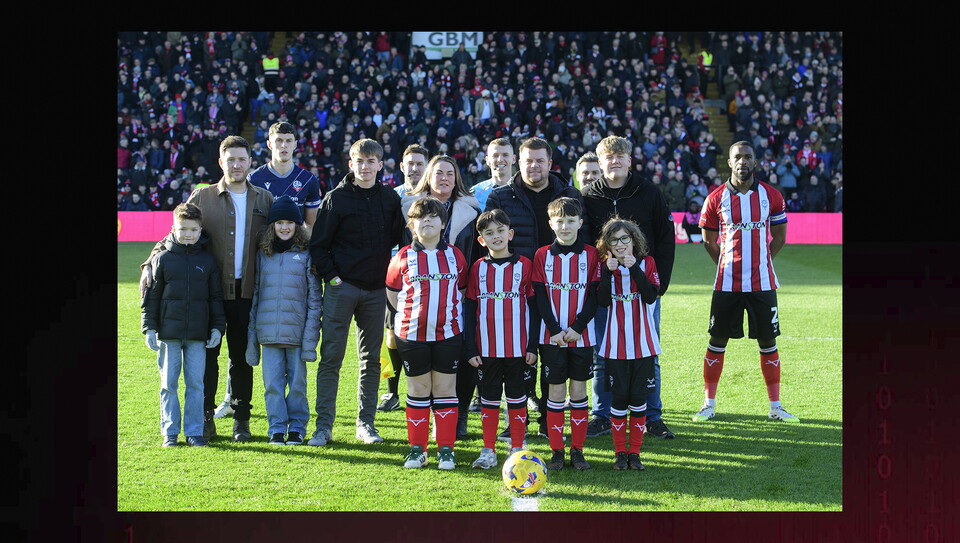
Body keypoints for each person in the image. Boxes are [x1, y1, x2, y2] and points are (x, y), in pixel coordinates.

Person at [140, 135, 274, 443]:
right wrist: (149, 262)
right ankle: (205, 419)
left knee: (242, 359)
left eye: (242, 159)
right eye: (231, 160)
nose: (236, 165)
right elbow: (172, 235)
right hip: (208, 295)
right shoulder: (201, 198)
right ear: (221, 162)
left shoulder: (264, 199)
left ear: (250, 162)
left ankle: (242, 421)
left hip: (247, 294)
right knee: (208, 359)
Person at [485, 136, 587, 439]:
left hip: (561, 290)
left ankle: (547, 418)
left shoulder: (569, 194)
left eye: (540, 160)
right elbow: (491, 239)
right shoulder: (501, 195)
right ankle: (515, 419)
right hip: (515, 289)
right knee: (516, 356)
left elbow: (586, 237)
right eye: (528, 160)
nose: (534, 166)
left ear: (550, 163)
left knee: (552, 357)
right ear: (519, 161)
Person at [694, 141, 798, 424]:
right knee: (717, 340)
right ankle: (708, 404)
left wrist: (763, 260)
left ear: (755, 161)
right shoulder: (715, 198)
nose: (743, 161)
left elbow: (779, 237)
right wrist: (727, 266)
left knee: (768, 341)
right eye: (737, 157)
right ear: (729, 162)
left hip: (763, 284)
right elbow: (708, 241)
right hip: (727, 284)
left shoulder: (772, 196)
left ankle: (775, 406)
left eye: (748, 157)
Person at [307, 138, 403, 446]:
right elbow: (319, 245)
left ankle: (366, 424)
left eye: (370, 161)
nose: (365, 166)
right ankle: (324, 427)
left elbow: (401, 239)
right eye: (359, 161)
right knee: (331, 358)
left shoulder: (389, 198)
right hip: (342, 288)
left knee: (371, 360)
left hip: (376, 291)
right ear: (351, 164)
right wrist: (333, 278)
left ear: (380, 165)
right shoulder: (336, 198)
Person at [580, 135, 677, 440]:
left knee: (649, 353)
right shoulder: (588, 196)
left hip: (641, 287)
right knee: (602, 354)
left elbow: (665, 238)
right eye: (609, 156)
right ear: (600, 161)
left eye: (620, 155)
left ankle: (652, 416)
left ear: (629, 160)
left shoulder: (648, 192)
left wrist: (658, 283)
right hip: (606, 289)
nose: (615, 161)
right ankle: (602, 414)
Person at [401, 154, 481, 437]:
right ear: (429, 177)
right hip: (420, 303)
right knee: (426, 368)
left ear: (456, 178)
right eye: (438, 173)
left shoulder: (471, 212)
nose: (444, 178)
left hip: (461, 296)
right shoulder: (410, 209)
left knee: (465, 356)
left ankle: (457, 419)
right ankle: (432, 422)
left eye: (449, 173)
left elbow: (476, 255)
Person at [386, 197, 468, 469]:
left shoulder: (455, 255)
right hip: (412, 335)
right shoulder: (402, 257)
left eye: (434, 216)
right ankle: (417, 450)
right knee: (418, 389)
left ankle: (446, 449)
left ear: (444, 224)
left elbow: (463, 289)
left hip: (448, 334)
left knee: (445, 389)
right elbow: (393, 294)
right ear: (412, 225)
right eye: (421, 217)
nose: (428, 221)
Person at [142, 202, 225, 447]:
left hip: (198, 336)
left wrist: (217, 327)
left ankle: (194, 432)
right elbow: (152, 297)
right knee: (168, 384)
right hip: (169, 334)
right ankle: (170, 432)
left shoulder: (208, 261)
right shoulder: (163, 259)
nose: (188, 234)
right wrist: (149, 327)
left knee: (196, 385)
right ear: (173, 228)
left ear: (200, 231)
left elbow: (215, 298)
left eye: (193, 230)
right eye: (183, 229)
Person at [245, 196, 322, 445]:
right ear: (272, 226)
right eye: (280, 222)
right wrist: (252, 337)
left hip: (297, 335)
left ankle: (297, 427)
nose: (285, 227)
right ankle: (276, 428)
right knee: (272, 386)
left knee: (298, 385)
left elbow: (314, 301)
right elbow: (256, 296)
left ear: (298, 225)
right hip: (268, 334)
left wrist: (310, 338)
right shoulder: (263, 255)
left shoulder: (306, 254)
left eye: (290, 222)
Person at [464, 209, 538, 469]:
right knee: (489, 401)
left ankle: (517, 448)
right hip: (486, 350)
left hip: (518, 349)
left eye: (499, 231)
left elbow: (534, 308)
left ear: (510, 234)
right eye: (488, 233)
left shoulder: (524, 265)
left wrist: (532, 346)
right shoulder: (477, 268)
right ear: (481, 240)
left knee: (517, 400)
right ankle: (488, 450)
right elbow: (470, 310)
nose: (495, 236)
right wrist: (471, 347)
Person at [532, 197, 600, 471]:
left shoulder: (592, 255)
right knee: (556, 391)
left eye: (570, 221)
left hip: (582, 335)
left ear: (580, 223)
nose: (565, 226)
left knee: (578, 390)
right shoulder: (541, 255)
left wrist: (578, 327)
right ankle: (557, 450)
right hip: (552, 336)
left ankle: (578, 450)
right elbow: (540, 296)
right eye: (559, 221)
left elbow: (594, 296)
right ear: (551, 223)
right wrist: (555, 330)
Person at [595, 216, 660, 470]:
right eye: (614, 240)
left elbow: (651, 296)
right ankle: (619, 453)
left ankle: (635, 453)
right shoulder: (606, 266)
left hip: (643, 345)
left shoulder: (647, 263)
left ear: (634, 240)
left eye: (625, 239)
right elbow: (602, 301)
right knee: (619, 399)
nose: (620, 244)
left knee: (639, 399)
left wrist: (634, 268)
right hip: (615, 346)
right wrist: (609, 273)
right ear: (607, 244)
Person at [379, 144, 430, 414]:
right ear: (401, 167)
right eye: (409, 163)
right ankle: (391, 393)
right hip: (397, 277)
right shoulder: (392, 197)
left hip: (429, 278)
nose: (414, 168)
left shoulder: (433, 199)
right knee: (391, 337)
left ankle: (426, 390)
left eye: (419, 164)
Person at [247, 122, 322, 229]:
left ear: (295, 145)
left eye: (288, 140)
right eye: (279, 140)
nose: (284, 145)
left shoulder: (308, 179)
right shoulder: (254, 179)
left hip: (296, 245)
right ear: (269, 144)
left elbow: (311, 228)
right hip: (262, 244)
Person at [470, 138, 516, 211]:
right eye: (495, 155)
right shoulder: (476, 193)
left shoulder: (523, 191)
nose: (500, 159)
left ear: (513, 159)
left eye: (505, 155)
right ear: (487, 160)